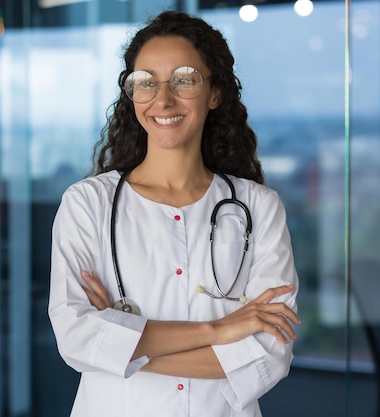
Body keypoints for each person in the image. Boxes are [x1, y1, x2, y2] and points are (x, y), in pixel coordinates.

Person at [48, 10, 300, 417]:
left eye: (184, 79)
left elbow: (269, 355)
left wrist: (120, 345)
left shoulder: (259, 208)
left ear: (214, 92)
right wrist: (218, 331)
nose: (162, 99)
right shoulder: (88, 204)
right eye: (146, 82)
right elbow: (76, 337)